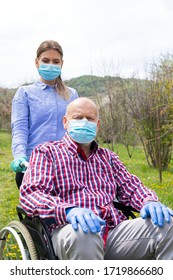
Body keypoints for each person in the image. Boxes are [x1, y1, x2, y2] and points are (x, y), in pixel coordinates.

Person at [20, 97, 173, 260]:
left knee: (167, 224)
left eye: (90, 118)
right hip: (70, 231)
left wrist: (149, 201)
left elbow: (132, 187)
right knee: (84, 233)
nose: (84, 122)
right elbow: (32, 194)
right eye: (78, 118)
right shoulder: (46, 152)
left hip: (112, 232)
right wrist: (67, 210)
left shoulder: (108, 157)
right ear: (65, 122)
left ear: (97, 125)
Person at [10, 40, 79, 188]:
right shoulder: (25, 93)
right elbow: (20, 129)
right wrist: (19, 156)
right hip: (32, 168)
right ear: (36, 62)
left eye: (55, 61)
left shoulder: (72, 95)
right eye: (45, 60)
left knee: (67, 209)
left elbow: (76, 130)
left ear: (61, 64)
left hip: (66, 170)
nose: (51, 65)